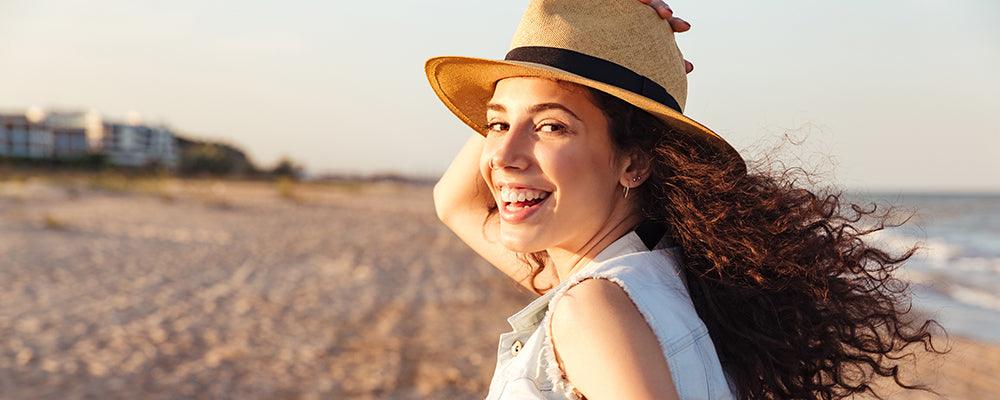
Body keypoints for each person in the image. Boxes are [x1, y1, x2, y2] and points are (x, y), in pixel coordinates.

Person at [425, 1, 945, 399]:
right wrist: (587, 41)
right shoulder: (666, 275)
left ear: (634, 163)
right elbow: (456, 204)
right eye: (496, 124)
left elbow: (458, 204)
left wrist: (591, 53)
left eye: (551, 126)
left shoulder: (594, 308)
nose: (504, 156)